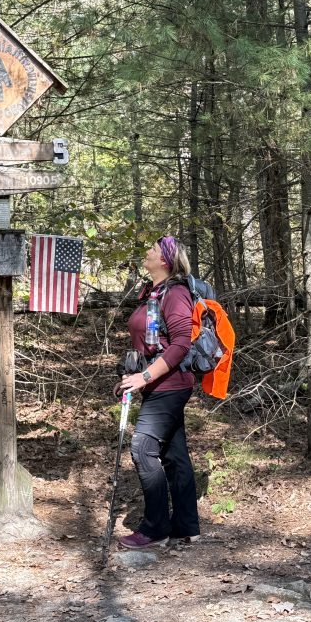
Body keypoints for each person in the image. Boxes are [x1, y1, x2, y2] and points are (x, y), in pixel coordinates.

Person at [113, 235, 201, 549]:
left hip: (170, 385)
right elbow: (152, 343)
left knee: (142, 448)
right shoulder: (152, 293)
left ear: (164, 260)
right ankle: (185, 527)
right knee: (174, 456)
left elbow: (180, 344)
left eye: (150, 250)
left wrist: (145, 376)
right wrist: (134, 376)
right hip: (156, 383)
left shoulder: (175, 293)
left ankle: (155, 529)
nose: (145, 253)